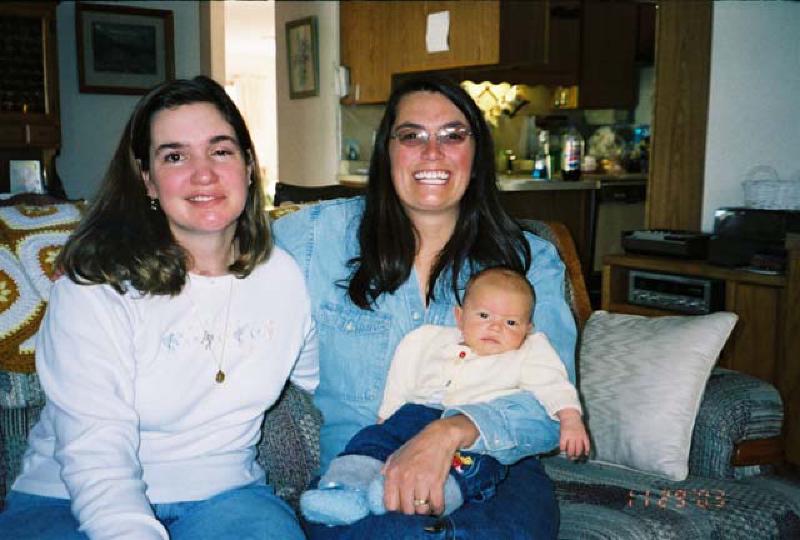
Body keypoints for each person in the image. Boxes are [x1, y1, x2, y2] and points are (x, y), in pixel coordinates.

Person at [0, 76, 317, 540]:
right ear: (147, 179)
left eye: (221, 150)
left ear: (249, 166)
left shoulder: (284, 277)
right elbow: (95, 446)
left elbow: (316, 384)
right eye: (175, 156)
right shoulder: (95, 286)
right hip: (67, 502)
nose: (203, 173)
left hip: (228, 500)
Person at [273, 74, 578, 539]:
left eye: (452, 136)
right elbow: (219, 255)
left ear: (476, 157)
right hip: (362, 476)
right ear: (387, 152)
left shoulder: (529, 260)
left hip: (495, 473)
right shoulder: (316, 239)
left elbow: (552, 404)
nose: (431, 153)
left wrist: (451, 431)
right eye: (412, 136)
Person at [300, 266, 589, 526]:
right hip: (415, 412)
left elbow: (553, 384)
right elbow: (402, 372)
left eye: (511, 323)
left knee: (477, 466)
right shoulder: (428, 338)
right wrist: (387, 414)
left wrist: (570, 418)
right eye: (484, 316)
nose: (495, 327)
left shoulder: (530, 351)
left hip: (476, 432)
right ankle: (345, 489)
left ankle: (418, 498)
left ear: (528, 329)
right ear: (460, 317)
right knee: (371, 440)